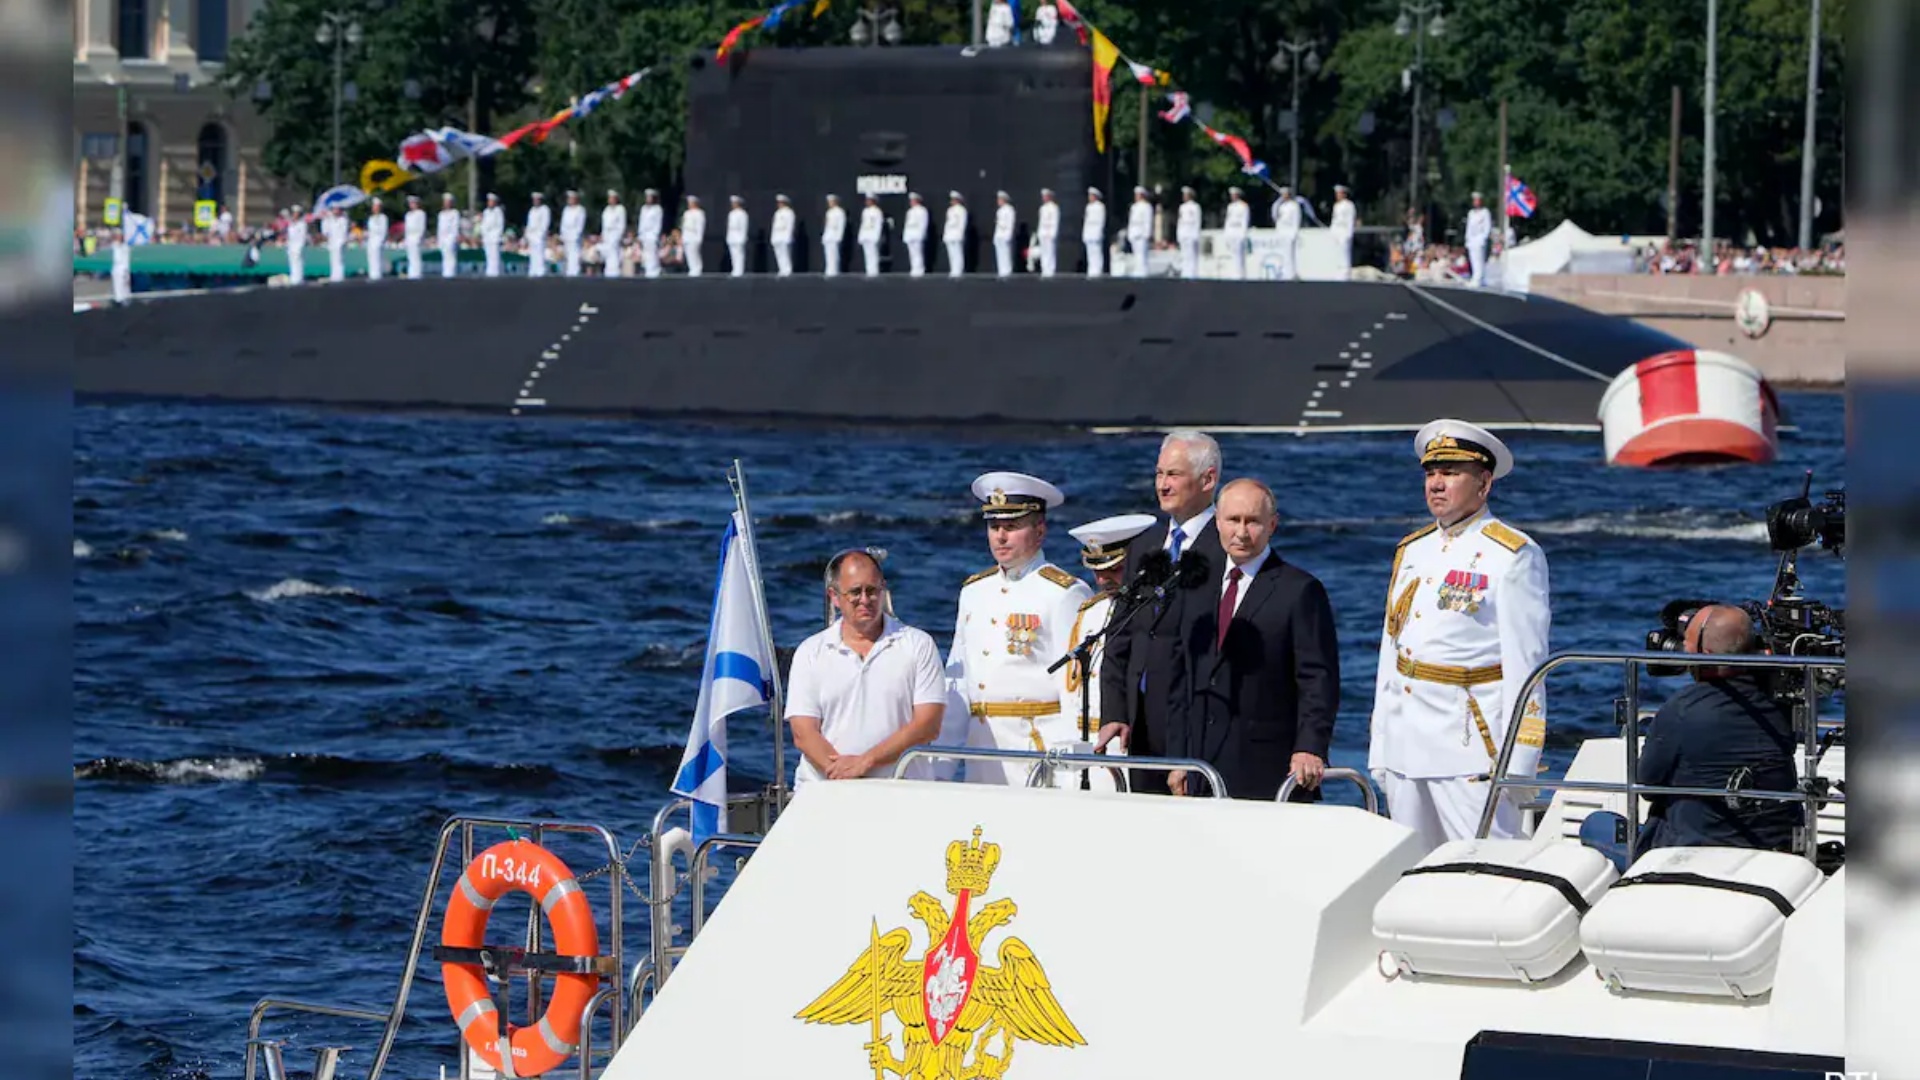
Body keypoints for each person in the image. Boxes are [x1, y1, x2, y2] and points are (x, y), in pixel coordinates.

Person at [1367, 419, 1550, 852]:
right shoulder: (1413, 550)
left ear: (1484, 483)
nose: (1437, 484)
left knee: (1483, 865)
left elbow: (1528, 666)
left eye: (1450, 473)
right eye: (1431, 473)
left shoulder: (1512, 555)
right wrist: (1381, 745)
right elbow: (1390, 654)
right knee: (1411, 867)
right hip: (1405, 744)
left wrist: (1519, 761)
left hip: (1469, 747)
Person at [1166, 479, 1340, 801]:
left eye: (1253, 521)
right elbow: (1180, 678)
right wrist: (1178, 758)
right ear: (1217, 520)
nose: (1242, 533)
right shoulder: (1194, 585)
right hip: (1201, 765)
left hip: (1267, 767)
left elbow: (1318, 679)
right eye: (1233, 520)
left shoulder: (1299, 590)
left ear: (1272, 525)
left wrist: (1310, 747)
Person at [942, 471, 1094, 785]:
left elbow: (1075, 688)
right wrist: (941, 763)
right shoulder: (974, 591)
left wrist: (1075, 769)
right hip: (981, 747)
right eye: (994, 527)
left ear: (1040, 531)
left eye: (1011, 527)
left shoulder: (1064, 593)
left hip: (1035, 748)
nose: (1000, 537)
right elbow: (958, 679)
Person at [1096, 430, 1225, 795]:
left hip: (1195, 720)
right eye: (1158, 474)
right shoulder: (1145, 546)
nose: (1163, 485)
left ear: (1208, 479)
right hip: (1141, 725)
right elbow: (1119, 636)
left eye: (1173, 475)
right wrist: (1115, 712)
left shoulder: (1224, 546)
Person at [1634, 605, 1799, 856]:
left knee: (1598, 826)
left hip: (1694, 847)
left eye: (1687, 644)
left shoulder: (1682, 708)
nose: (1682, 650)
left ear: (1706, 654)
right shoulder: (1781, 708)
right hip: (1771, 848)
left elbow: (1646, 782)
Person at [787, 550, 947, 785]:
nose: (865, 599)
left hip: (901, 792)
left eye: (872, 591)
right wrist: (842, 774)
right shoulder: (810, 652)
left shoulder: (918, 645)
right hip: (825, 791)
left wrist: (866, 762)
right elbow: (803, 732)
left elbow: (928, 725)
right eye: (855, 592)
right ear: (834, 596)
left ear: (883, 590)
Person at [1059, 513, 1157, 792]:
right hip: (1085, 745)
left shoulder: (1152, 613)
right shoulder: (1090, 612)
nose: (1102, 580)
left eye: (1114, 569)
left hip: (1126, 746)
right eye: (1096, 570)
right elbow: (1071, 690)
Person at [1272, 186, 1301, 281]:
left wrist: (1295, 232)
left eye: (1285, 194)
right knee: (1284, 254)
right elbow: (1277, 218)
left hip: (1290, 231)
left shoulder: (1294, 205)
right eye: (1282, 194)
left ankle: (1292, 273)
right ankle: (1286, 272)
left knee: (1290, 254)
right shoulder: (1281, 206)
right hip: (1282, 231)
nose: (1283, 196)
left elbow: (1296, 220)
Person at [1465, 191, 1493, 288]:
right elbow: (1469, 227)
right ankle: (1475, 277)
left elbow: (1487, 227)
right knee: (1473, 259)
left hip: (1480, 239)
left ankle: (1479, 278)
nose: (1476, 202)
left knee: (1479, 260)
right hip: (1472, 239)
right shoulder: (1471, 213)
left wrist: (1483, 238)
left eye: (1477, 200)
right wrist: (1467, 239)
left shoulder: (1485, 212)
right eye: (1474, 200)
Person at [1330, 184, 1357, 279]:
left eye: (1339, 193)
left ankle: (1345, 274)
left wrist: (1349, 234)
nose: (1337, 195)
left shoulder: (1349, 205)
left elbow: (1350, 220)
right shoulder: (1336, 206)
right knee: (1338, 253)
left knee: (1344, 253)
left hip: (1344, 231)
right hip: (1337, 230)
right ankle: (1338, 272)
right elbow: (1334, 219)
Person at [1222, 187, 1249, 280]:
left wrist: (1243, 234)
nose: (1232, 196)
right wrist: (1226, 234)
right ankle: (1234, 273)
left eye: (1234, 195)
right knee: (1233, 253)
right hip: (1231, 231)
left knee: (1239, 254)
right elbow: (1228, 221)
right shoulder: (1230, 206)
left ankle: (1241, 274)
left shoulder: (1243, 206)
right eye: (1231, 195)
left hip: (1239, 230)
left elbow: (1245, 221)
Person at [1126, 186, 1153, 279]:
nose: (1136, 197)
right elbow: (1131, 221)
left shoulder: (1147, 206)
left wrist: (1146, 234)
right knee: (1136, 254)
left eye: (1137, 195)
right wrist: (1130, 233)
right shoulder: (1134, 207)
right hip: (1134, 232)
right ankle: (1137, 270)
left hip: (1142, 233)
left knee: (1142, 254)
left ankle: (1143, 272)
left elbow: (1147, 221)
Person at [1175, 185, 1202, 279]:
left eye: (1185, 195)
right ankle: (1185, 272)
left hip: (1191, 232)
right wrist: (1178, 234)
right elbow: (1180, 221)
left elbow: (1197, 221)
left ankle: (1192, 272)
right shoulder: (1182, 207)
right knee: (1184, 254)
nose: (1184, 197)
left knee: (1191, 254)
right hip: (1184, 232)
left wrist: (1196, 234)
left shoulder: (1195, 207)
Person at [600, 190, 628, 278]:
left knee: (614, 254)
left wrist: (619, 235)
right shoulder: (606, 210)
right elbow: (604, 224)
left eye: (612, 198)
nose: (610, 200)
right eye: (609, 198)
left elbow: (621, 224)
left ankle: (614, 272)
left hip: (615, 233)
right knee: (607, 253)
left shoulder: (620, 209)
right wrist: (603, 234)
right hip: (607, 233)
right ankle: (608, 272)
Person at [637, 189, 664, 278]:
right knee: (646, 253)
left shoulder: (657, 209)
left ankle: (654, 270)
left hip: (652, 233)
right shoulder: (644, 209)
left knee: (653, 253)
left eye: (650, 197)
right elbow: (641, 222)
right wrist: (640, 235)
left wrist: (655, 234)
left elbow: (658, 223)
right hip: (644, 233)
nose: (648, 199)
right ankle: (648, 270)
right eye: (647, 197)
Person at [1034, 188, 1059, 278]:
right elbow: (1041, 222)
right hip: (1043, 232)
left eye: (1045, 196)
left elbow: (1055, 221)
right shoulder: (1042, 208)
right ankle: (1045, 270)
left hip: (1049, 232)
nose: (1043, 198)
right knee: (1044, 252)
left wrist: (1053, 233)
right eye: (1043, 196)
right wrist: (1039, 232)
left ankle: (1050, 270)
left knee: (1050, 252)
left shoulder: (1054, 208)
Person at [560, 191, 587, 277]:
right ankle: (569, 272)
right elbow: (563, 223)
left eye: (571, 198)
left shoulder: (580, 209)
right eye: (569, 198)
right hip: (567, 234)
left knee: (574, 254)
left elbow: (580, 224)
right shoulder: (566, 209)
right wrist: (563, 234)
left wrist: (576, 234)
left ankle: (575, 272)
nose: (569, 200)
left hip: (575, 235)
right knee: (568, 254)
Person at [525, 193, 551, 278]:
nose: (535, 201)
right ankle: (533, 270)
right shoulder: (532, 210)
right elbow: (529, 224)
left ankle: (540, 271)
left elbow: (545, 223)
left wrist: (541, 234)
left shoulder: (544, 209)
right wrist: (528, 234)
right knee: (533, 254)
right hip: (532, 235)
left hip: (539, 235)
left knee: (540, 253)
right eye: (534, 199)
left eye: (537, 199)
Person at [1081, 187, 1106, 278]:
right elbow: (1086, 222)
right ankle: (1091, 270)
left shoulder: (1100, 206)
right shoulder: (1088, 207)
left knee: (1096, 252)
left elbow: (1100, 221)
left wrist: (1099, 233)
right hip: (1089, 232)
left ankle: (1098, 270)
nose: (1089, 197)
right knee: (1090, 253)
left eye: (1091, 195)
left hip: (1095, 232)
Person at [857, 194, 884, 277]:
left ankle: (874, 271)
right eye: (867, 200)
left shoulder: (877, 211)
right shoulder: (865, 211)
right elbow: (863, 224)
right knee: (867, 254)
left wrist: (877, 236)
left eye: (869, 200)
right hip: (865, 235)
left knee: (873, 254)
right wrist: (860, 236)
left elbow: (878, 225)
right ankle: (869, 270)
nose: (867, 201)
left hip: (873, 235)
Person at [903, 192, 929, 277]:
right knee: (912, 253)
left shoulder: (922, 210)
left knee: (918, 252)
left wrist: (922, 234)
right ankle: (914, 269)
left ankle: (919, 269)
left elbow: (923, 223)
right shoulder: (910, 211)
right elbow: (907, 224)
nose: (911, 202)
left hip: (917, 233)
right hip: (910, 234)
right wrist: (905, 235)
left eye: (913, 200)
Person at [436, 194, 461, 279]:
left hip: (450, 237)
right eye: (445, 202)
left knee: (451, 257)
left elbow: (455, 227)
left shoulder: (454, 213)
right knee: (444, 257)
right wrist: (439, 240)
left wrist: (453, 239)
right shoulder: (441, 214)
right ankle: (446, 274)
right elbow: (439, 228)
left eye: (448, 202)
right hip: (443, 238)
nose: (446, 203)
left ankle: (451, 274)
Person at [480, 193, 505, 278]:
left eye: (491, 201)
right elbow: (483, 225)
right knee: (488, 256)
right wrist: (484, 235)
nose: (489, 203)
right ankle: (489, 272)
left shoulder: (498, 211)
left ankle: (495, 273)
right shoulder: (486, 212)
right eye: (488, 201)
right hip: (487, 238)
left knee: (495, 257)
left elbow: (499, 226)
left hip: (494, 237)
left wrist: (496, 236)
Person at [942, 191, 967, 278]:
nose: (952, 201)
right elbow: (947, 223)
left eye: (954, 199)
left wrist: (960, 234)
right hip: (950, 234)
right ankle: (953, 269)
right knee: (951, 253)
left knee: (957, 253)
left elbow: (962, 223)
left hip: (956, 233)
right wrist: (945, 234)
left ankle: (958, 270)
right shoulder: (950, 210)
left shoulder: (961, 210)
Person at [770, 194, 796, 278]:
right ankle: (781, 269)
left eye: (781, 202)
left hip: (784, 235)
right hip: (777, 235)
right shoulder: (777, 213)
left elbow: (790, 225)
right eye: (778, 202)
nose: (779, 204)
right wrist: (773, 237)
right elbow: (774, 226)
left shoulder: (789, 212)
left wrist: (788, 236)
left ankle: (787, 270)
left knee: (786, 253)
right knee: (779, 253)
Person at [992, 190, 1016, 279]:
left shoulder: (1009, 210)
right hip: (999, 235)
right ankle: (1001, 271)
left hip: (1005, 233)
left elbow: (1010, 224)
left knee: (1006, 254)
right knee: (1000, 254)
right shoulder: (1000, 211)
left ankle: (1007, 271)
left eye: (1000, 199)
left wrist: (1008, 235)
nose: (998, 201)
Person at [821, 194, 847, 277]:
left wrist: (839, 236)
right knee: (828, 254)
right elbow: (827, 225)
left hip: (835, 235)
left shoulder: (840, 212)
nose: (829, 203)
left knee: (834, 254)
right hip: (828, 235)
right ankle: (829, 270)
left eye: (831, 201)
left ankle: (835, 270)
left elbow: (841, 225)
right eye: (829, 202)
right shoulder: (829, 212)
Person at [681, 195, 706, 277]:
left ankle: (697, 269)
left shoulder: (699, 213)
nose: (689, 204)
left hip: (694, 236)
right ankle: (692, 269)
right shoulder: (686, 213)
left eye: (690, 203)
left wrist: (699, 238)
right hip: (687, 236)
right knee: (689, 254)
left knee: (694, 253)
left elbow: (700, 226)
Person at [403, 194, 426, 279]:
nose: (412, 205)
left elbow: (421, 227)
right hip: (409, 237)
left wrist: (419, 238)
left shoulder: (421, 213)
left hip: (416, 237)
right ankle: (411, 273)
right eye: (410, 203)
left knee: (416, 256)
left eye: (413, 203)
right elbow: (406, 228)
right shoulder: (408, 214)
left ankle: (417, 273)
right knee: (410, 256)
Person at [365, 198, 389, 281]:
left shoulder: (383, 218)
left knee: (377, 258)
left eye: (376, 206)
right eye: (374, 206)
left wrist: (380, 241)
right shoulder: (371, 218)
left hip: (378, 239)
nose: (374, 208)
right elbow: (369, 230)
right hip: (371, 240)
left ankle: (377, 275)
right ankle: (372, 274)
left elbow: (383, 231)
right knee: (371, 257)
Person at [324, 207, 350, 282]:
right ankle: (334, 276)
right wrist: (325, 219)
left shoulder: (343, 219)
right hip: (332, 242)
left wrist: (341, 242)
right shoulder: (330, 220)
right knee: (333, 259)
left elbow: (344, 232)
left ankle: (339, 277)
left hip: (340, 242)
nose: (335, 211)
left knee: (339, 259)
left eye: (337, 209)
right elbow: (325, 231)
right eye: (334, 209)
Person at [726, 195, 750, 276]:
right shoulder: (731, 214)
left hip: (739, 236)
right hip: (732, 236)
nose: (733, 204)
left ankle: (739, 270)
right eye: (732, 203)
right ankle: (735, 269)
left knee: (739, 254)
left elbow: (744, 227)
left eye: (734, 203)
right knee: (733, 254)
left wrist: (743, 238)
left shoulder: (742, 214)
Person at [285, 204, 309, 285]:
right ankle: (293, 278)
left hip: (298, 245)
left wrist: (300, 247)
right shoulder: (291, 224)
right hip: (291, 245)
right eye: (294, 213)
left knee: (298, 262)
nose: (295, 215)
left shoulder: (302, 224)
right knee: (292, 262)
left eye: (296, 213)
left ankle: (298, 279)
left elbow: (302, 236)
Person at [108, 227, 131, 303]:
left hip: (125, 268)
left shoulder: (125, 246)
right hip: (117, 268)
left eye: (119, 235)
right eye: (116, 235)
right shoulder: (113, 246)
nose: (118, 237)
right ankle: (119, 300)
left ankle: (126, 300)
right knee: (118, 285)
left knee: (126, 286)